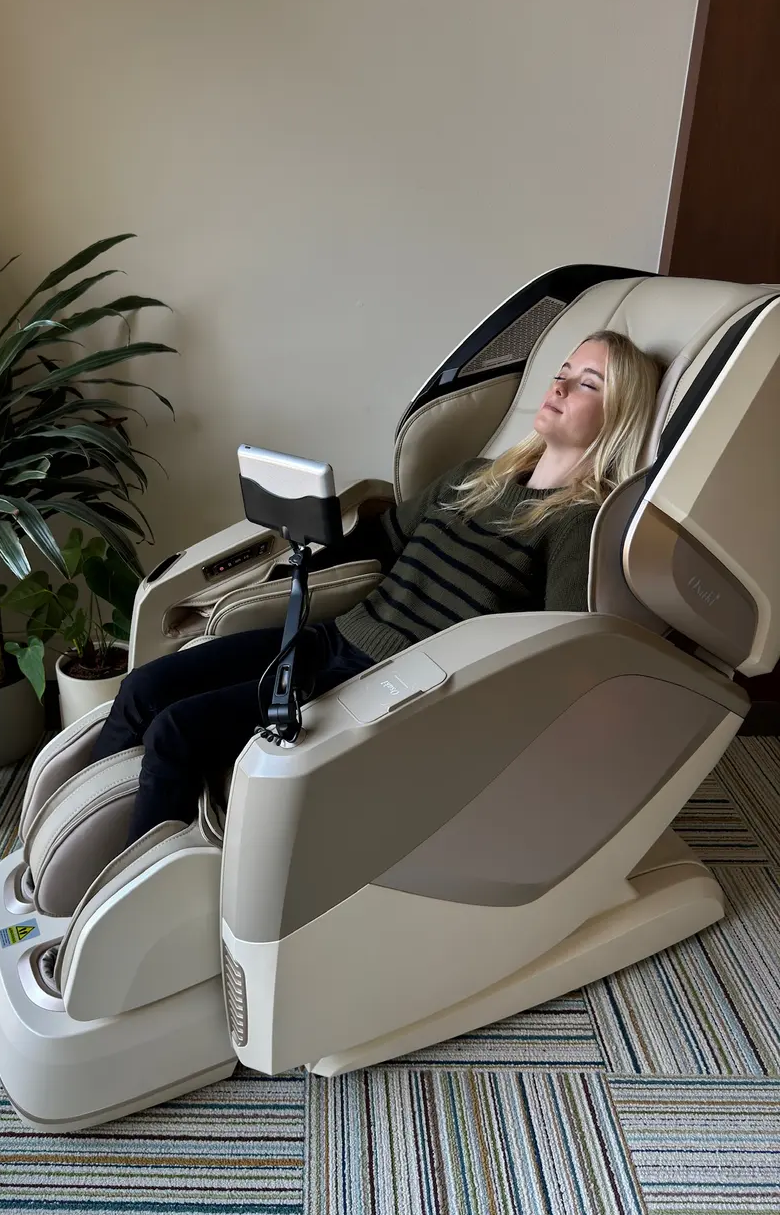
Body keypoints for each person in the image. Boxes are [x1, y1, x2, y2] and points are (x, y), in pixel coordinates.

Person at [93, 329, 661, 846]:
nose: (559, 385)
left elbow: (558, 651)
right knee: (143, 687)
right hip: (333, 639)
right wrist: (296, 568)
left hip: (384, 689)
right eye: (562, 369)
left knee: (176, 731)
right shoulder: (472, 478)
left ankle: (123, 890)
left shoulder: (577, 523)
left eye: (587, 382)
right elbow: (381, 539)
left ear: (619, 415)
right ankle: (83, 834)